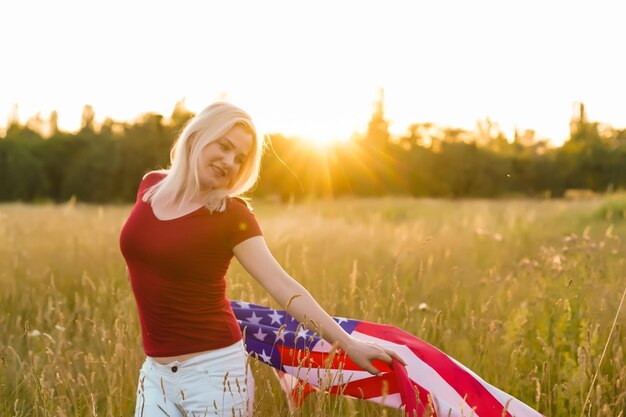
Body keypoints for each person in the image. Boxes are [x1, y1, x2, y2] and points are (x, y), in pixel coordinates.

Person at [119, 102, 405, 416]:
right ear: (198, 135)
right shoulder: (151, 186)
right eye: (224, 147)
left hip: (215, 378)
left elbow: (282, 284)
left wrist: (347, 344)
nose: (229, 162)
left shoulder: (230, 215)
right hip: (155, 376)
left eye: (239, 158)